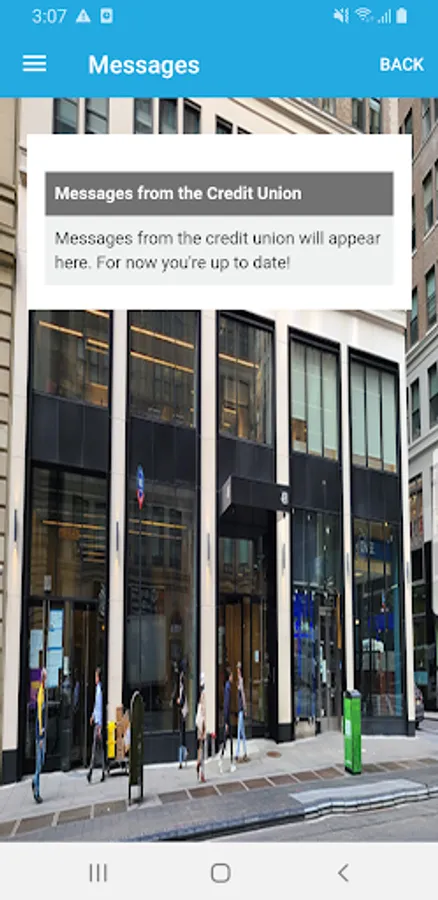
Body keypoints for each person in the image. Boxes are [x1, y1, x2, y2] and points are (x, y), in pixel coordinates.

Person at [87, 667, 105, 784]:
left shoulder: (99, 690)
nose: (95, 678)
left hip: (99, 724)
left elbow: (100, 707)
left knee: (95, 749)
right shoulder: (98, 689)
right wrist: (93, 715)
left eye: (96, 676)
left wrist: (99, 725)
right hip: (98, 722)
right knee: (100, 749)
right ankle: (102, 771)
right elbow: (96, 706)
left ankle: (90, 772)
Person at [32, 667, 47, 804]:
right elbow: (39, 716)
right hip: (40, 733)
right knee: (39, 762)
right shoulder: (41, 694)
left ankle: (34, 781)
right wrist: (40, 735)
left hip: (42, 732)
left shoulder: (42, 691)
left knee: (41, 761)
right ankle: (36, 791)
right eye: (44, 677)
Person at [219, 668, 235, 774]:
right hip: (227, 718)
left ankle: (230, 762)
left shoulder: (227, 687)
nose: (233, 678)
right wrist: (226, 721)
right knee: (227, 740)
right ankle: (223, 760)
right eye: (232, 676)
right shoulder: (228, 688)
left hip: (227, 717)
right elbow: (226, 705)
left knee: (229, 740)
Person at [236, 662, 248, 763]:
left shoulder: (241, 681)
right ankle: (245, 751)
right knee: (242, 733)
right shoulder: (239, 680)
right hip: (240, 709)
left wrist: (244, 709)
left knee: (239, 731)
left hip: (241, 709)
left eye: (238, 669)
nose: (237, 670)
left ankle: (237, 753)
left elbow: (243, 695)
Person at [177, 664, 188, 769]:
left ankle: (181, 759)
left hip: (182, 715)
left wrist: (179, 701)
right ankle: (183, 756)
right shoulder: (182, 690)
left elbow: (182, 702)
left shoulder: (182, 690)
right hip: (183, 715)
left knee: (182, 738)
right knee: (182, 738)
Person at [196, 673, 207, 783]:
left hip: (199, 724)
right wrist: (204, 729)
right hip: (201, 725)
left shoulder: (200, 696)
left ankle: (200, 771)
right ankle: (201, 773)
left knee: (200, 747)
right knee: (202, 749)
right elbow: (203, 712)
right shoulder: (203, 695)